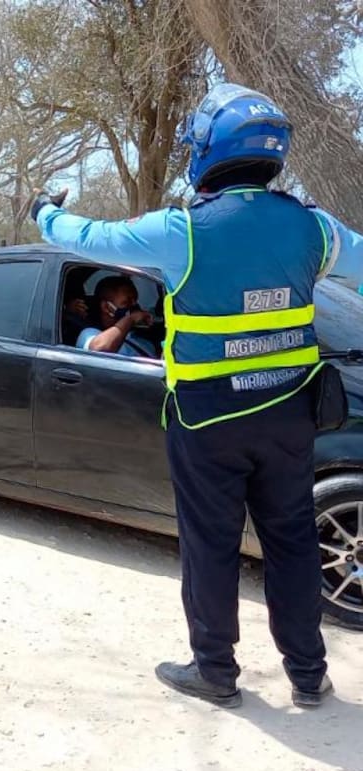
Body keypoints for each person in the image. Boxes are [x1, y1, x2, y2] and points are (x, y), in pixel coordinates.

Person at [32, 83, 363, 709]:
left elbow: (89, 239)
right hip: (288, 416)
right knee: (291, 543)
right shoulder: (314, 228)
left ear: (209, 150)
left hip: (208, 419)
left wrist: (43, 212)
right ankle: (308, 675)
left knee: (211, 546)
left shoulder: (182, 230)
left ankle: (215, 671)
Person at [77, 275, 158, 358]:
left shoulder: (143, 342)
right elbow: (98, 351)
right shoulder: (89, 334)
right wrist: (131, 319)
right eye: (127, 302)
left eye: (135, 301)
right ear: (106, 307)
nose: (134, 305)